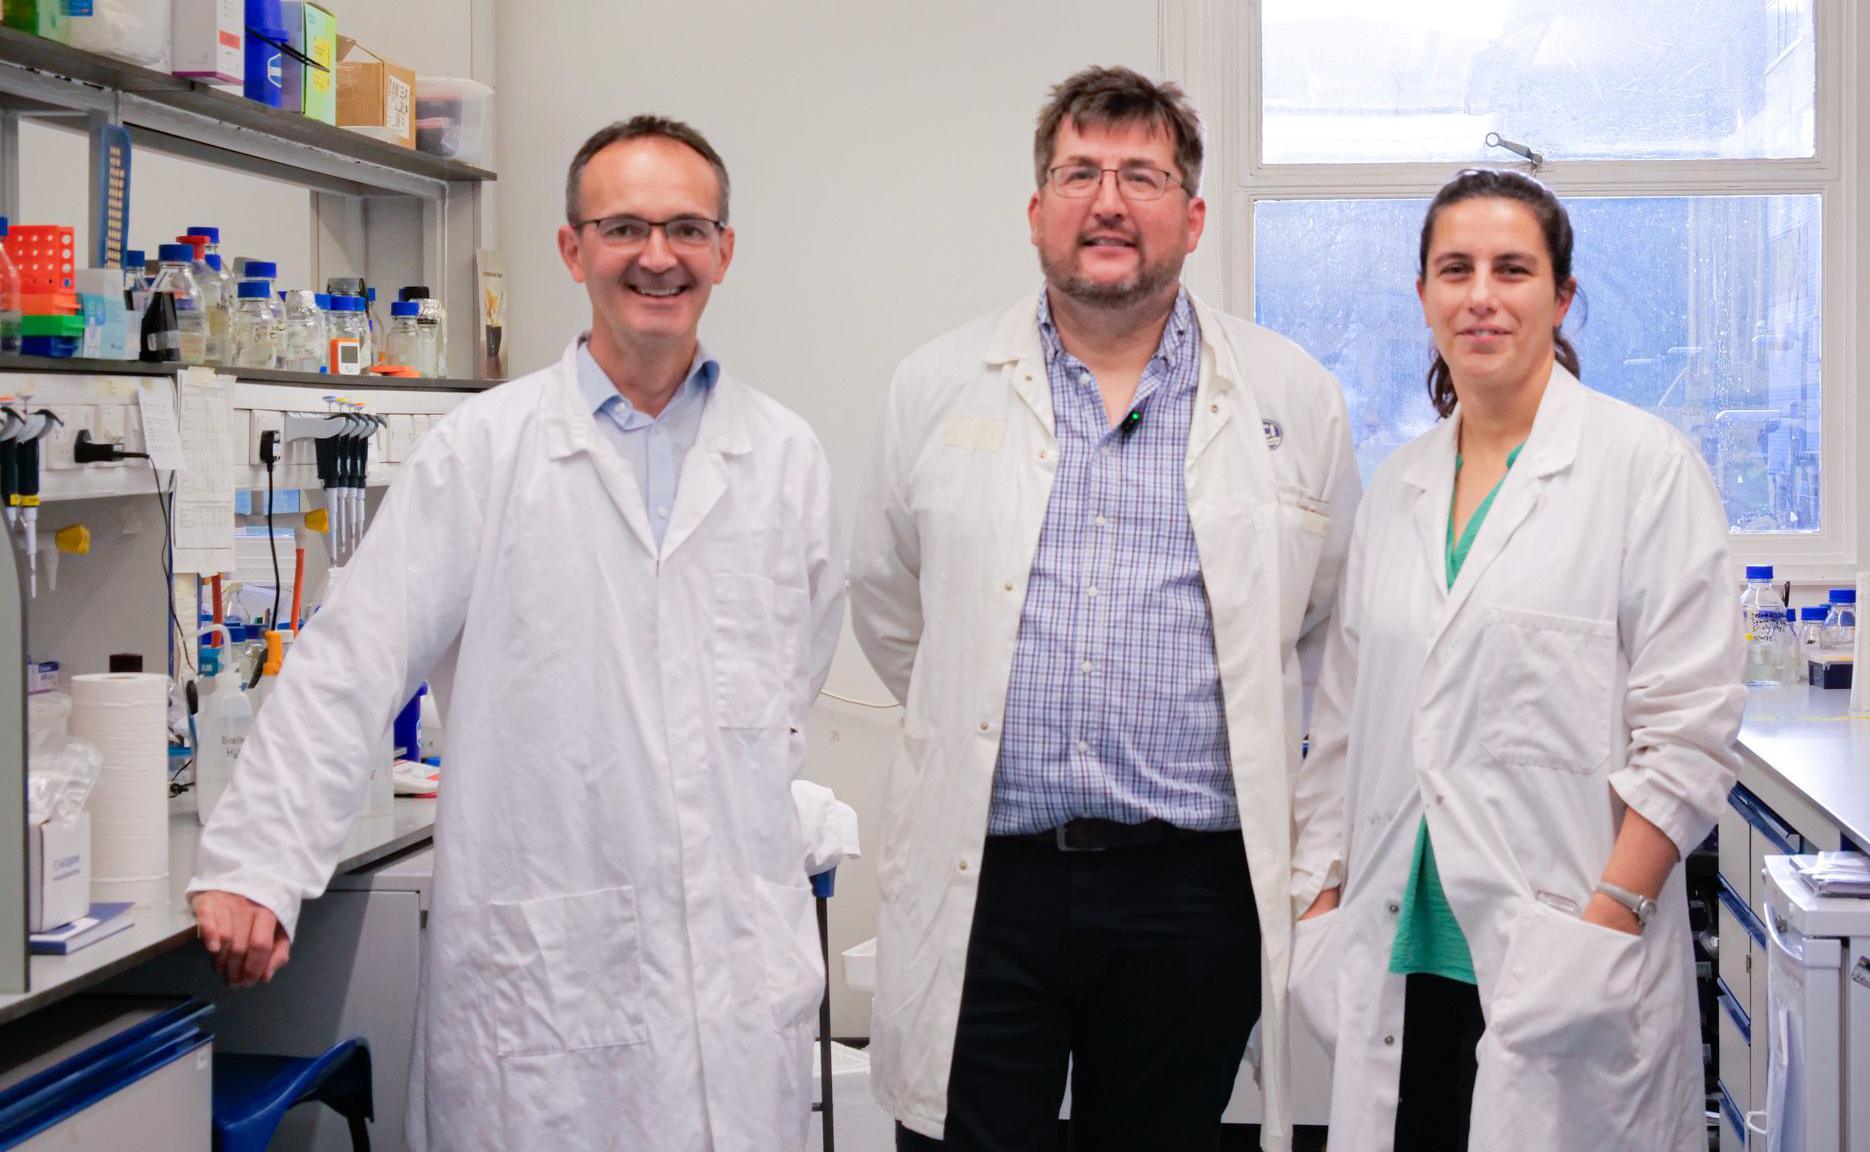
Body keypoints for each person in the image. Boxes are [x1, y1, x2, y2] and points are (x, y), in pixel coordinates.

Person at [187, 115, 844, 1151]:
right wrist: (259, 860)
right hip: (545, 969)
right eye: (623, 226)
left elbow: (789, 678)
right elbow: (354, 661)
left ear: (724, 248)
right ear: (571, 248)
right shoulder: (483, 452)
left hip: (733, 962)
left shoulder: (784, 458)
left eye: (686, 227)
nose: (657, 255)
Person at [850, 66, 1360, 1151]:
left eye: (1142, 174)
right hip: (987, 878)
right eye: (1078, 172)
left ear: (1191, 215)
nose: (1108, 201)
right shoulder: (936, 386)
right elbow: (893, 609)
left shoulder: (1289, 394)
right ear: (1036, 209)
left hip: (1191, 889)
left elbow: (1324, 626)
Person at [1289, 167, 1745, 1151]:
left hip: (1562, 952)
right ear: (1422, 296)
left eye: (1511, 269)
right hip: (1396, 962)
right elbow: (1339, 725)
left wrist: (1608, 919)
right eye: (1453, 270)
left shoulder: (1641, 468)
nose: (1480, 296)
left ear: (1560, 295)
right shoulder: (1399, 485)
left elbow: (1690, 734)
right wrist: (1317, 903)